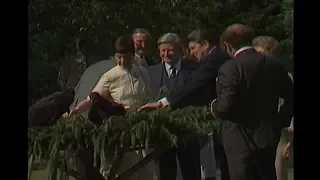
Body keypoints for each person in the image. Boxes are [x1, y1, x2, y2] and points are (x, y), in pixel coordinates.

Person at [210, 24, 293, 180]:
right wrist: (280, 121)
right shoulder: (273, 64)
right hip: (267, 136)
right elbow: (291, 96)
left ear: (228, 45)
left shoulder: (230, 68)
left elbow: (226, 105)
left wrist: (214, 106)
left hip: (238, 139)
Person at [69, 36, 155, 180]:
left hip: (142, 127)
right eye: (118, 57)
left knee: (145, 171)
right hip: (120, 130)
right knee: (123, 171)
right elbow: (91, 99)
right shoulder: (109, 76)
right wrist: (77, 109)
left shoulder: (142, 73)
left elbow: (148, 97)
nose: (122, 61)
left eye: (126, 57)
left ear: (133, 55)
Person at [147, 33, 200, 180]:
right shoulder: (151, 72)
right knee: (166, 172)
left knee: (191, 172)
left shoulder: (194, 69)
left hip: (188, 130)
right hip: (163, 131)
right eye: (163, 51)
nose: (166, 54)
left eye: (170, 50)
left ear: (180, 50)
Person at [187, 29, 230, 180]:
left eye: (193, 48)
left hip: (225, 119)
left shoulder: (214, 59)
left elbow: (195, 83)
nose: (192, 53)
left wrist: (166, 101)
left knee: (227, 165)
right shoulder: (216, 58)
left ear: (205, 45)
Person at [252, 36, 294, 180]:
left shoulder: (284, 76)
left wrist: (287, 134)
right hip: (252, 133)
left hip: (277, 132)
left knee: (277, 173)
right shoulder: (247, 74)